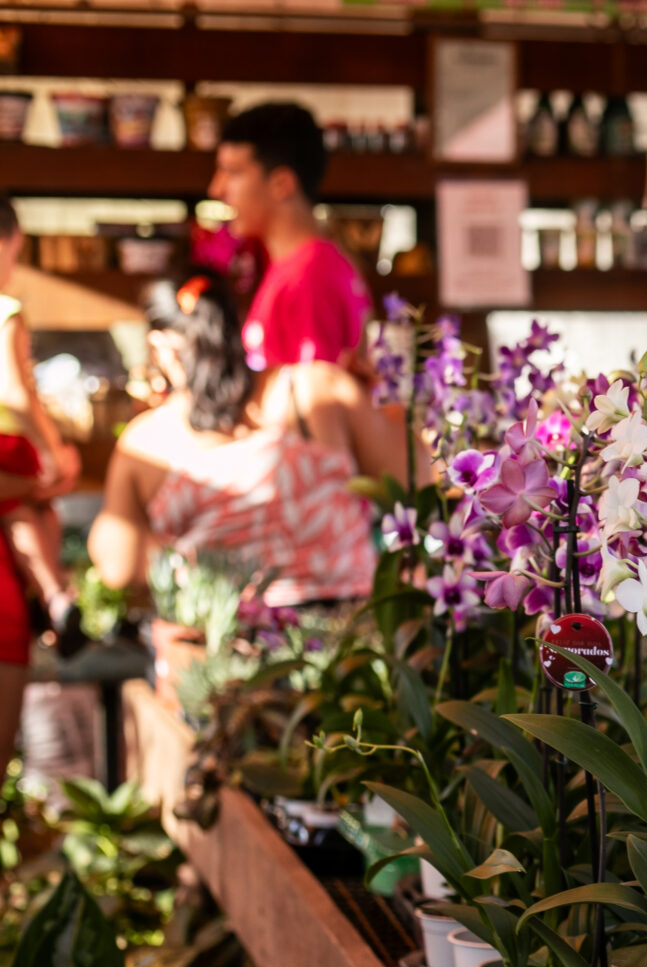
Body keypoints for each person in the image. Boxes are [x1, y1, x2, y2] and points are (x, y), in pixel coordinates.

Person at [88, 274, 416, 607]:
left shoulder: (148, 441)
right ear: (239, 324)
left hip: (226, 647)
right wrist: (390, 404)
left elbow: (119, 568)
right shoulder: (317, 389)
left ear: (159, 346)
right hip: (348, 639)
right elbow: (412, 482)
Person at [209, 102, 370, 372]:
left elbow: (318, 405)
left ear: (282, 184)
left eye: (233, 172)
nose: (216, 189)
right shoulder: (298, 267)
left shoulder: (310, 277)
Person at [0, 195, 84, 656]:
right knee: (33, 503)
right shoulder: (6, 311)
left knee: (28, 509)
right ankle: (53, 593)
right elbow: (15, 393)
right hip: (7, 440)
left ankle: (47, 597)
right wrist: (52, 447)